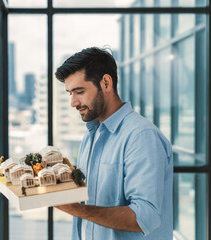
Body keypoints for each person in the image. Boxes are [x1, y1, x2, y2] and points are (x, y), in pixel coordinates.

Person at [54, 47, 173, 240]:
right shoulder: (90, 135)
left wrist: (76, 209)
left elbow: (145, 217)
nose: (73, 103)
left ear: (106, 83)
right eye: (70, 93)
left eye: (80, 91)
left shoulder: (141, 136)